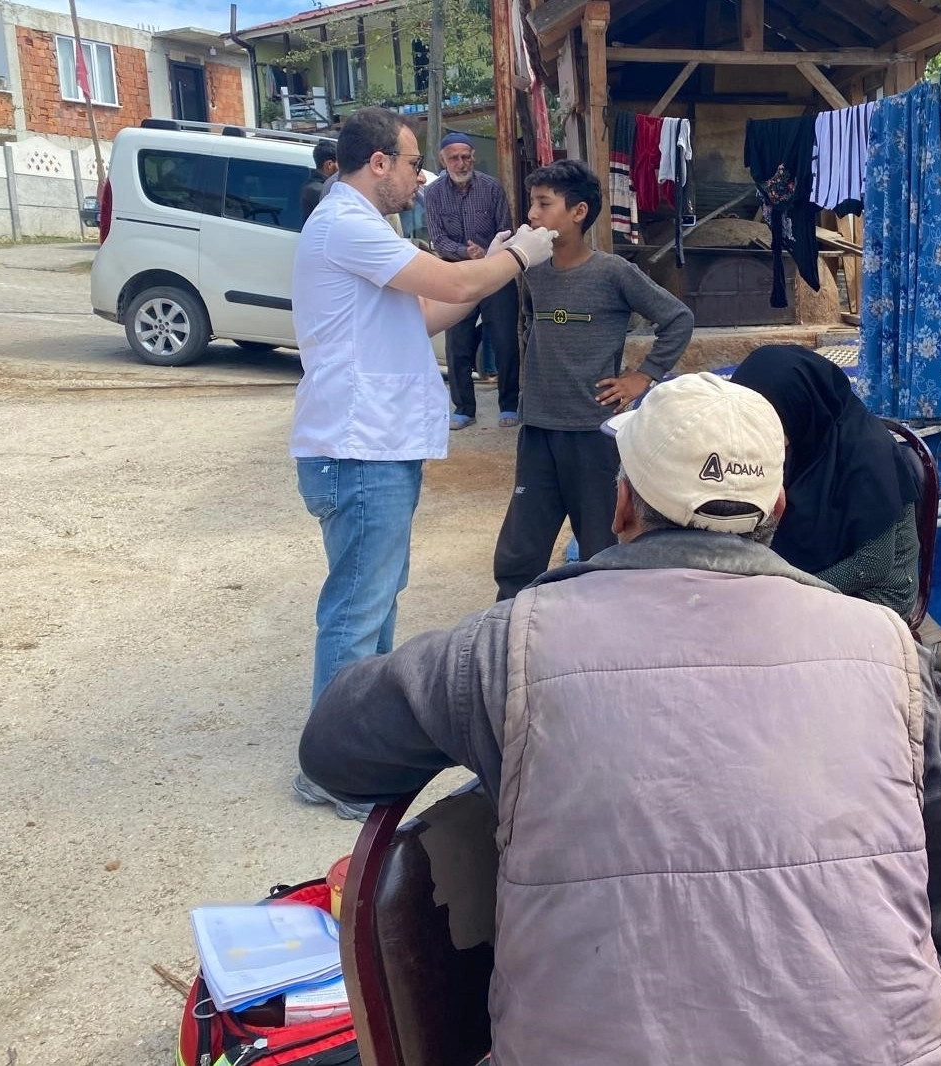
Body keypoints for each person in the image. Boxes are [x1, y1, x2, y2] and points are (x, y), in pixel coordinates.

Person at [298, 372, 941, 1065]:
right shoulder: (891, 652)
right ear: (778, 504)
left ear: (623, 505)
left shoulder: (507, 646)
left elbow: (334, 749)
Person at [288, 106, 557, 819]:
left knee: (374, 601)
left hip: (374, 446)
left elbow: (433, 312)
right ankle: (332, 766)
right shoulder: (347, 225)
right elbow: (456, 287)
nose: (419, 178)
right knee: (357, 609)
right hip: (357, 448)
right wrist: (522, 254)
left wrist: (495, 263)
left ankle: (356, 739)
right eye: (411, 164)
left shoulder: (364, 229)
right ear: (378, 162)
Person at [491, 159, 694, 601]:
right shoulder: (532, 269)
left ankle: (603, 635)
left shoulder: (613, 272)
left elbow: (677, 318)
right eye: (532, 203)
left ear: (579, 212)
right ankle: (507, 625)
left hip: (592, 435)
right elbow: (529, 324)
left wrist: (643, 376)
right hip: (539, 429)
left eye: (544, 204)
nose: (532, 214)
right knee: (520, 551)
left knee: (602, 548)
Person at [731, 344, 921, 618]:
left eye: (768, 417)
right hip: (804, 576)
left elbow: (873, 563)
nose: (759, 428)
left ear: (799, 403)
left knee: (768, 628)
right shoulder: (803, 437)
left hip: (876, 593)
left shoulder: (868, 452)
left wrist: (794, 589)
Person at [423, 132, 519, 430]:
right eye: (454, 157)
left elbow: (505, 230)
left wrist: (488, 253)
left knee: (505, 341)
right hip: (456, 276)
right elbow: (438, 239)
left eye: (466, 157)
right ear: (443, 160)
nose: (461, 163)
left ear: (473, 158)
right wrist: (468, 252)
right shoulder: (434, 193)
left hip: (495, 274)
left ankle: (509, 404)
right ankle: (464, 407)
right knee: (458, 344)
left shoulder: (491, 188)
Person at [300, 138, 337, 222]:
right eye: (341, 163)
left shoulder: (315, 186)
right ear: (329, 165)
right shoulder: (319, 191)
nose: (343, 169)